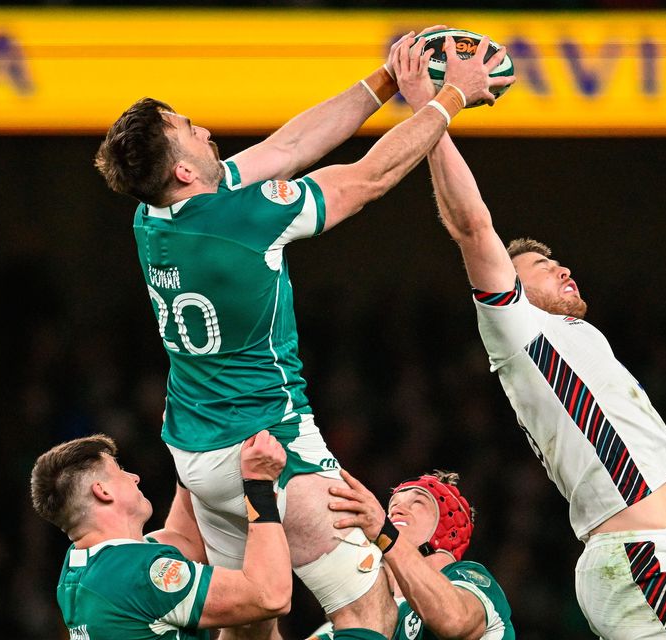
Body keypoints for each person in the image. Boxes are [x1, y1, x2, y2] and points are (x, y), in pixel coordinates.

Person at [93, 28, 514, 640]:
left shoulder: (152, 214)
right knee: (366, 612)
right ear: (185, 167)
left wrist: (384, 84)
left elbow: (290, 145)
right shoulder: (242, 221)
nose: (205, 128)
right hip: (274, 448)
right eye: (189, 127)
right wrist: (451, 97)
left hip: (196, 456)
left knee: (253, 616)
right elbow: (367, 179)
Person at [390, 38, 666, 640]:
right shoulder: (520, 328)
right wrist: (433, 108)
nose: (560, 268)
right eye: (538, 266)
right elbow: (472, 227)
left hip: (642, 552)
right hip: (634, 557)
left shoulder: (574, 340)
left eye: (559, 262)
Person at [30, 430, 291, 639]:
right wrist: (258, 484)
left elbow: (185, 540)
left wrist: (185, 448)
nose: (134, 477)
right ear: (103, 491)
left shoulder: (82, 564)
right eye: (120, 470)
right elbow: (271, 597)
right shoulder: (137, 575)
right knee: (258, 619)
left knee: (250, 627)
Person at [308, 469, 514, 640]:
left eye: (417, 503)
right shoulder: (357, 616)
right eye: (392, 506)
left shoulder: (472, 581)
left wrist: (386, 533)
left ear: (448, 528)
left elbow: (455, 620)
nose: (396, 511)